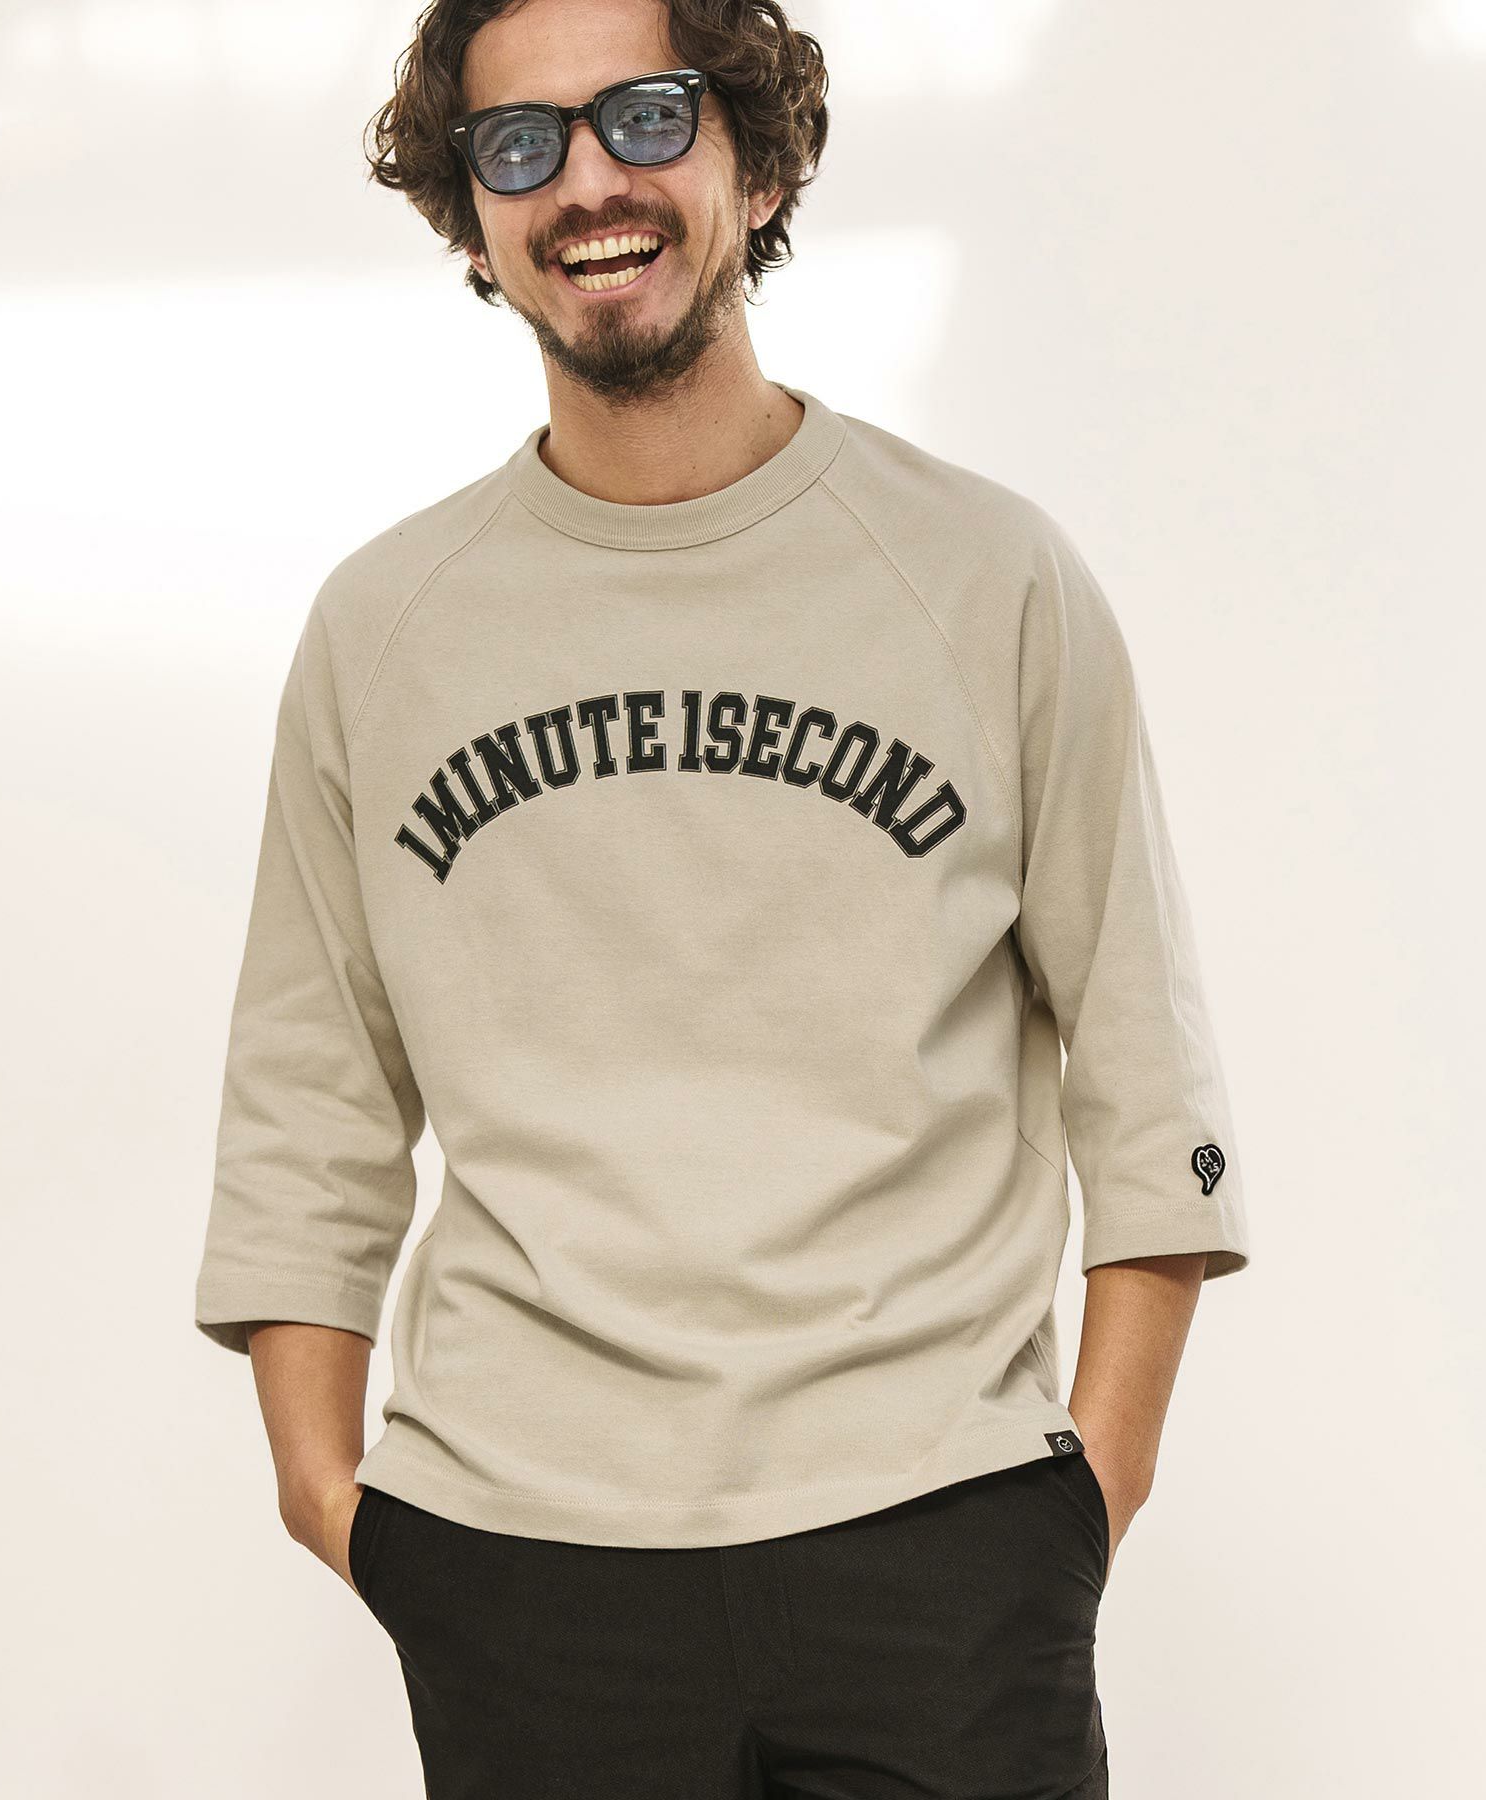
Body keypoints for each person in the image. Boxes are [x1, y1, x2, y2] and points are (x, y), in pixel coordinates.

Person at [193, 1, 1250, 1794]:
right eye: (519, 142)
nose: (587, 180)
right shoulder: (383, 629)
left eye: (647, 116)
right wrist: (335, 1496)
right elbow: (311, 1094)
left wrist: (1087, 1489)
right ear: (473, 218)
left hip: (942, 1537)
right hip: (523, 1563)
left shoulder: (987, 577)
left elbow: (1147, 1070)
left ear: (758, 162)